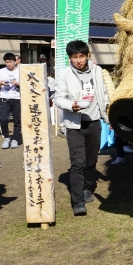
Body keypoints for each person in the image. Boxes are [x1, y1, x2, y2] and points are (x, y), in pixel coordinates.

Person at [54, 40, 109, 216]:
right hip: (74, 124)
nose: (78, 60)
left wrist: (108, 116)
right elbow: (57, 98)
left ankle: (87, 188)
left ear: (87, 56)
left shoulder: (97, 71)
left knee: (91, 161)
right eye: (74, 57)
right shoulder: (64, 74)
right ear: (70, 58)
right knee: (78, 162)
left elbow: (104, 96)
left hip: (94, 122)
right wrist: (71, 105)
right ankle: (78, 201)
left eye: (81, 56)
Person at [0, 53, 21, 149]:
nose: (9, 64)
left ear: (15, 61)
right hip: (4, 97)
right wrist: (1, 83)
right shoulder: (2, 71)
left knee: (17, 120)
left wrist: (17, 83)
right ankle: (6, 137)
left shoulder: (20, 71)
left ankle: (15, 139)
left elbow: (25, 84)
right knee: (3, 119)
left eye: (10, 62)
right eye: (7, 62)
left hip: (17, 97)